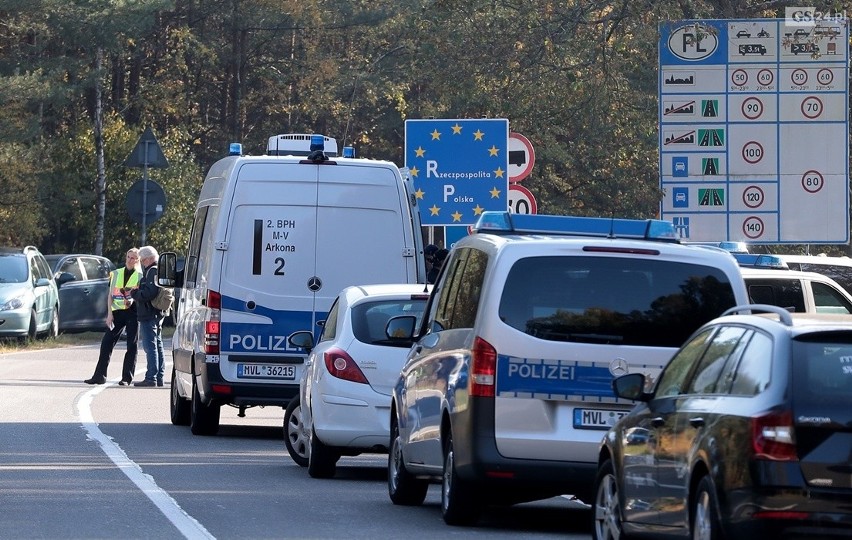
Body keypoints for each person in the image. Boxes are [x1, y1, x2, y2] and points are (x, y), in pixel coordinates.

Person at [84, 248, 142, 385]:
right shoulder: (116, 273)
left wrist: (132, 300)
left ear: (138, 260)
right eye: (128, 257)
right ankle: (99, 376)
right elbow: (110, 295)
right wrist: (109, 314)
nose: (130, 260)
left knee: (131, 345)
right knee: (106, 342)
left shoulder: (140, 276)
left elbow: (139, 295)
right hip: (117, 313)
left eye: (133, 258)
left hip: (133, 312)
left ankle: (126, 378)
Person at [131, 246, 166, 387]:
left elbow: (150, 293)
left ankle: (151, 377)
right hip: (156, 313)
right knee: (157, 344)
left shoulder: (152, 272)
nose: (143, 263)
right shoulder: (157, 271)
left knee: (150, 346)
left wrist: (135, 294)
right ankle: (159, 377)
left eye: (143, 260)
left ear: (150, 258)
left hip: (150, 313)